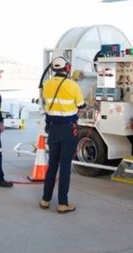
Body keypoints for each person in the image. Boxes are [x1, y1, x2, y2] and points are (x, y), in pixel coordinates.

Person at [39, 56, 85, 213]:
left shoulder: (47, 85)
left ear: (53, 69)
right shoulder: (73, 85)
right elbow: (81, 105)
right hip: (68, 129)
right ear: (67, 68)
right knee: (65, 166)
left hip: (53, 129)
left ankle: (45, 200)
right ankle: (62, 203)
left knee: (52, 165)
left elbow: (45, 103)